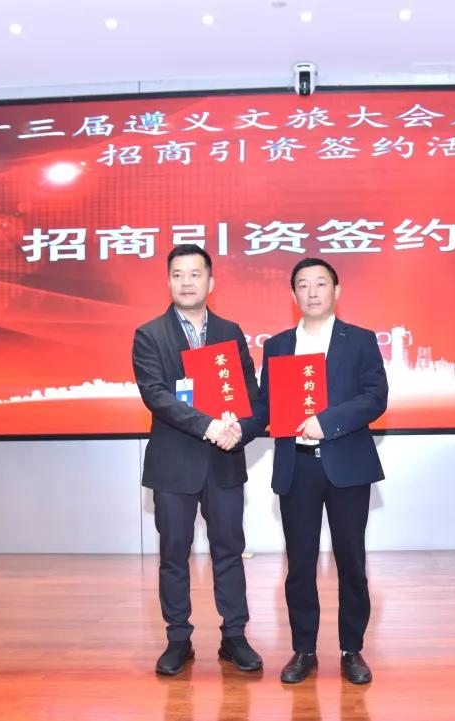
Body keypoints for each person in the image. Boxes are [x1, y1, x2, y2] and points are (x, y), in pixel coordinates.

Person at [238, 257, 388, 684]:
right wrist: (237, 428)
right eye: (303, 285)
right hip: (297, 467)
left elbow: (375, 397)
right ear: (294, 295)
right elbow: (266, 406)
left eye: (321, 283)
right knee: (300, 565)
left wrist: (328, 421)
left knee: (351, 562)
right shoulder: (278, 345)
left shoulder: (360, 340)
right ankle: (303, 650)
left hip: (346, 466)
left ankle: (351, 650)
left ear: (336, 291)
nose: (313, 291)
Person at [131, 244, 262, 676]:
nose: (186, 282)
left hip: (224, 461)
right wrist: (208, 426)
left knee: (230, 550)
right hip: (174, 464)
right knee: (174, 554)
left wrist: (240, 429)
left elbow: (249, 393)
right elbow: (156, 396)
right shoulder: (150, 335)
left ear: (211, 281)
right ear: (168, 281)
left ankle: (234, 636)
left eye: (195, 274)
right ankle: (177, 639)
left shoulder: (229, 331)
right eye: (178, 274)